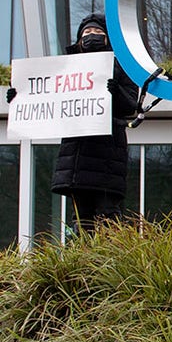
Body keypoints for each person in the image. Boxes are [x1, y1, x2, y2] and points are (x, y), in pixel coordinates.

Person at [6, 14, 139, 232]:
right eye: (87, 33)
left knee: (108, 221)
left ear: (108, 39)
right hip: (76, 160)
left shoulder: (121, 67)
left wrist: (116, 92)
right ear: (79, 39)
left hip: (107, 158)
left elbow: (130, 106)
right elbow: (46, 98)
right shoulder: (64, 68)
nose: (91, 37)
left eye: (97, 33)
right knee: (81, 223)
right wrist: (19, 97)